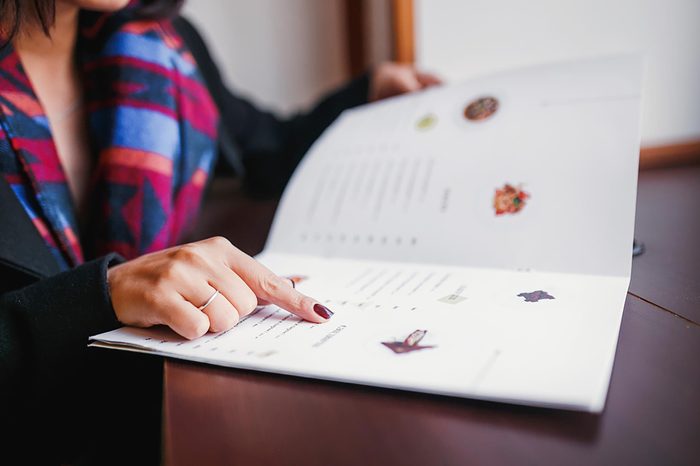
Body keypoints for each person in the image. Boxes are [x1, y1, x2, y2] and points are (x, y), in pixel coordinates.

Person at [0, 0, 440, 463]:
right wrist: (96, 299)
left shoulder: (162, 49)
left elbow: (265, 152)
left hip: (161, 421)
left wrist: (365, 96)